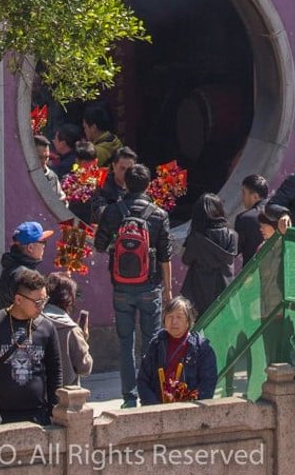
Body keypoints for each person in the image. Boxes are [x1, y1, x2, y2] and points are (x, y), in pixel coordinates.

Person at [94, 162, 173, 409]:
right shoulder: (159, 215)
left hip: (121, 288)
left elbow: (99, 245)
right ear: (149, 185)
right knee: (151, 341)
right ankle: (150, 393)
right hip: (151, 288)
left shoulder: (112, 211)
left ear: (125, 183)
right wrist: (168, 290)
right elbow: (165, 256)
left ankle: (129, 396)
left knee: (125, 342)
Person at [0, 270, 63, 425]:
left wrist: (54, 409)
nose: (42, 307)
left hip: (38, 415)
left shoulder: (46, 327)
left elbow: (55, 372)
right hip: (0, 415)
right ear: (18, 299)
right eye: (38, 302)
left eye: (45, 301)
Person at [138, 297, 217, 406]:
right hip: (158, 409)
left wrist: (188, 406)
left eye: (179, 317)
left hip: (189, 411)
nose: (174, 321)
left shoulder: (201, 349)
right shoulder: (156, 345)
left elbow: (207, 384)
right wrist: (154, 407)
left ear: (188, 321)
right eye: (170, 317)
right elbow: (143, 380)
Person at [181, 194, 238, 317]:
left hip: (199, 291)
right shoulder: (231, 235)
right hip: (225, 289)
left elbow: (186, 259)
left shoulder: (196, 238)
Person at [43, 274, 93, 386]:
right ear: (69, 299)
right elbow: (84, 368)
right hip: (66, 396)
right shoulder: (71, 330)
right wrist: (83, 341)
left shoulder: (35, 321)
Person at [0, 220, 55, 308]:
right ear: (30, 247)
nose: (44, 246)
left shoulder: (13, 266)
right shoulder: (25, 274)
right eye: (42, 242)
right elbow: (35, 308)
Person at [235, 175, 269, 267]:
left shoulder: (244, 218)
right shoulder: (281, 214)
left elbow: (234, 251)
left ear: (255, 196)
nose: (242, 198)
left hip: (252, 274)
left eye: (244, 193)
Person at [82, 102, 121, 168]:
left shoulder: (95, 153)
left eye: (85, 127)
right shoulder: (115, 140)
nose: (84, 131)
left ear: (93, 127)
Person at [34, 134, 68, 202]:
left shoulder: (52, 177)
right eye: (40, 157)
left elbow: (61, 200)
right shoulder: (22, 176)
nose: (44, 161)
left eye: (46, 157)